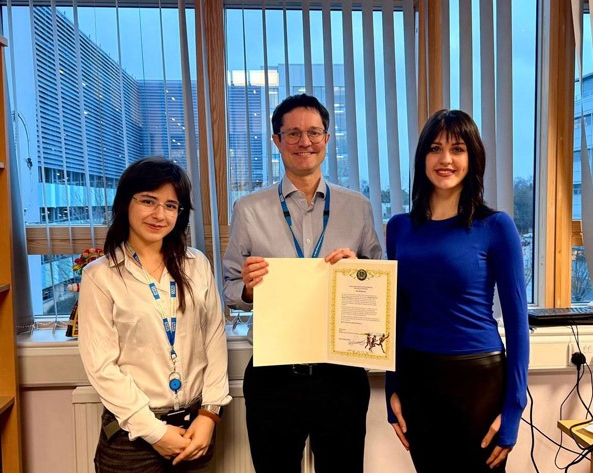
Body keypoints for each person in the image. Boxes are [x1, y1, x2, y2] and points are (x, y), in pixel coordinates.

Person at [223, 93, 382, 473]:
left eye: (313, 132)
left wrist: (358, 272)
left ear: (327, 138)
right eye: (292, 133)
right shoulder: (248, 209)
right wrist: (247, 288)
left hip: (341, 374)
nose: (304, 142)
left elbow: (379, 284)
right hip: (274, 375)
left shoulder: (357, 207)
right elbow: (229, 286)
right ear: (277, 140)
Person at [385, 109, 529, 472]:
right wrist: (391, 387)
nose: (445, 159)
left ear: (472, 157)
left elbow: (517, 324)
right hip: (417, 379)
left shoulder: (496, 227)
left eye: (457, 149)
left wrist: (514, 409)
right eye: (435, 148)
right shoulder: (399, 228)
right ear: (422, 158)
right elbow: (395, 313)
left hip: (478, 381)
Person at [78, 157, 231, 473]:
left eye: (171, 206)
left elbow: (214, 340)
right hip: (132, 436)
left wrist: (210, 413)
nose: (160, 214)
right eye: (148, 201)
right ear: (126, 202)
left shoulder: (197, 264)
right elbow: (101, 366)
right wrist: (155, 432)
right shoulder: (100, 275)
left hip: (194, 429)